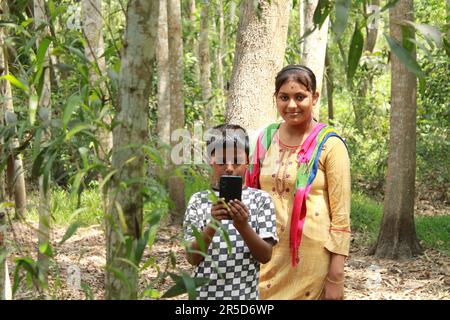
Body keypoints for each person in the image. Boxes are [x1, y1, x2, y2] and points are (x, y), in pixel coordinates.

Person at [246, 65, 351, 300]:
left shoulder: (330, 145)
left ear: (314, 97)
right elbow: (251, 198)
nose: (291, 105)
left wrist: (336, 278)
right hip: (265, 260)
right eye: (284, 97)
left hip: (311, 266)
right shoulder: (266, 139)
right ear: (276, 98)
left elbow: (341, 219)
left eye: (300, 97)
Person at [183, 124, 278, 300]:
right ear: (210, 161)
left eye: (236, 161)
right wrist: (212, 225)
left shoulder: (261, 200)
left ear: (247, 162)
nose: (228, 167)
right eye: (221, 161)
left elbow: (265, 255)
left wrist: (243, 226)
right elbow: (192, 258)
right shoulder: (198, 200)